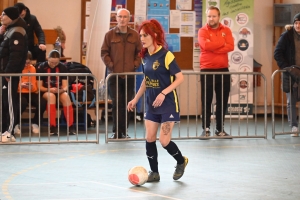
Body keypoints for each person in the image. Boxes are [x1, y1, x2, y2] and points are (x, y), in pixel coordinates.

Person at [127, 19, 188, 182]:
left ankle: (181, 161)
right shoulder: (145, 57)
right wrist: (135, 98)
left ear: (154, 35)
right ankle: (154, 172)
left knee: (164, 140)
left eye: (145, 35)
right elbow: (146, 81)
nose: (142, 38)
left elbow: (180, 78)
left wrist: (163, 93)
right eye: (140, 35)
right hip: (151, 104)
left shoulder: (166, 55)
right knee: (150, 138)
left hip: (167, 104)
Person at [101, 8, 142, 139]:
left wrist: (135, 65)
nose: (122, 19)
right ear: (116, 18)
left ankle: (124, 131)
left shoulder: (135, 35)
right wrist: (111, 66)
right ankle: (116, 131)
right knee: (116, 103)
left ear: (129, 19)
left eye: (125, 17)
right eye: (120, 17)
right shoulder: (109, 35)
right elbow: (104, 53)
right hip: (114, 75)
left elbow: (140, 53)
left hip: (129, 75)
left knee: (127, 103)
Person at [198, 6, 234, 138]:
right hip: (206, 69)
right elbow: (206, 46)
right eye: (209, 16)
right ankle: (206, 129)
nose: (211, 19)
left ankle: (220, 129)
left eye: (214, 16)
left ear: (219, 17)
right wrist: (221, 44)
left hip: (223, 70)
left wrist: (213, 46)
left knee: (222, 101)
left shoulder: (226, 30)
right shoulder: (202, 31)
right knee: (206, 100)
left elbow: (230, 46)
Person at [0, 6, 28, 142]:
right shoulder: (8, 30)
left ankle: (10, 131)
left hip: (10, 74)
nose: (1, 17)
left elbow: (15, 56)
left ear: (10, 17)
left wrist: (8, 72)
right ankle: (4, 129)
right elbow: (3, 51)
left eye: (3, 15)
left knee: (10, 102)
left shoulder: (17, 32)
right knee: (5, 102)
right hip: (4, 73)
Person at [36, 50, 75, 135]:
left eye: (56, 62)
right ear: (48, 59)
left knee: (66, 97)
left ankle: (70, 126)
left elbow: (65, 86)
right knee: (51, 97)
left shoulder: (62, 67)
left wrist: (62, 90)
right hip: (46, 90)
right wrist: (49, 90)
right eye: (51, 62)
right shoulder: (41, 67)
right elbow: (40, 87)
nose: (54, 64)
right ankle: (53, 126)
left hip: (59, 90)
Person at [274, 13, 300, 137]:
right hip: (291, 73)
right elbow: (277, 53)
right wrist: (287, 68)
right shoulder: (286, 36)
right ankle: (294, 126)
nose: (298, 25)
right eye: (296, 23)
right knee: (292, 101)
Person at [14, 51, 47, 135]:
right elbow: (14, 82)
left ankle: (35, 123)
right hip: (19, 92)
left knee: (42, 102)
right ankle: (15, 124)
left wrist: (32, 87)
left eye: (28, 62)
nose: (26, 64)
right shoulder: (16, 67)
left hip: (31, 92)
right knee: (22, 103)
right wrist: (20, 85)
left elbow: (35, 85)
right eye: (25, 62)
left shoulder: (32, 68)